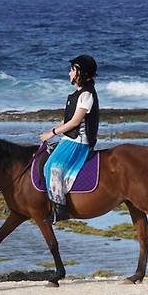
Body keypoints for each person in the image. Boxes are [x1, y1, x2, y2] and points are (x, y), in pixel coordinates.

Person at [39, 54, 99, 223]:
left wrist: (52, 132)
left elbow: (75, 121)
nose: (69, 73)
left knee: (54, 168)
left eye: (72, 70)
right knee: (45, 160)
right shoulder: (76, 94)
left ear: (81, 73)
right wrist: (51, 131)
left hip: (79, 142)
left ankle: (60, 209)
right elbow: (67, 120)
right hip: (69, 138)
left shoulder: (87, 95)